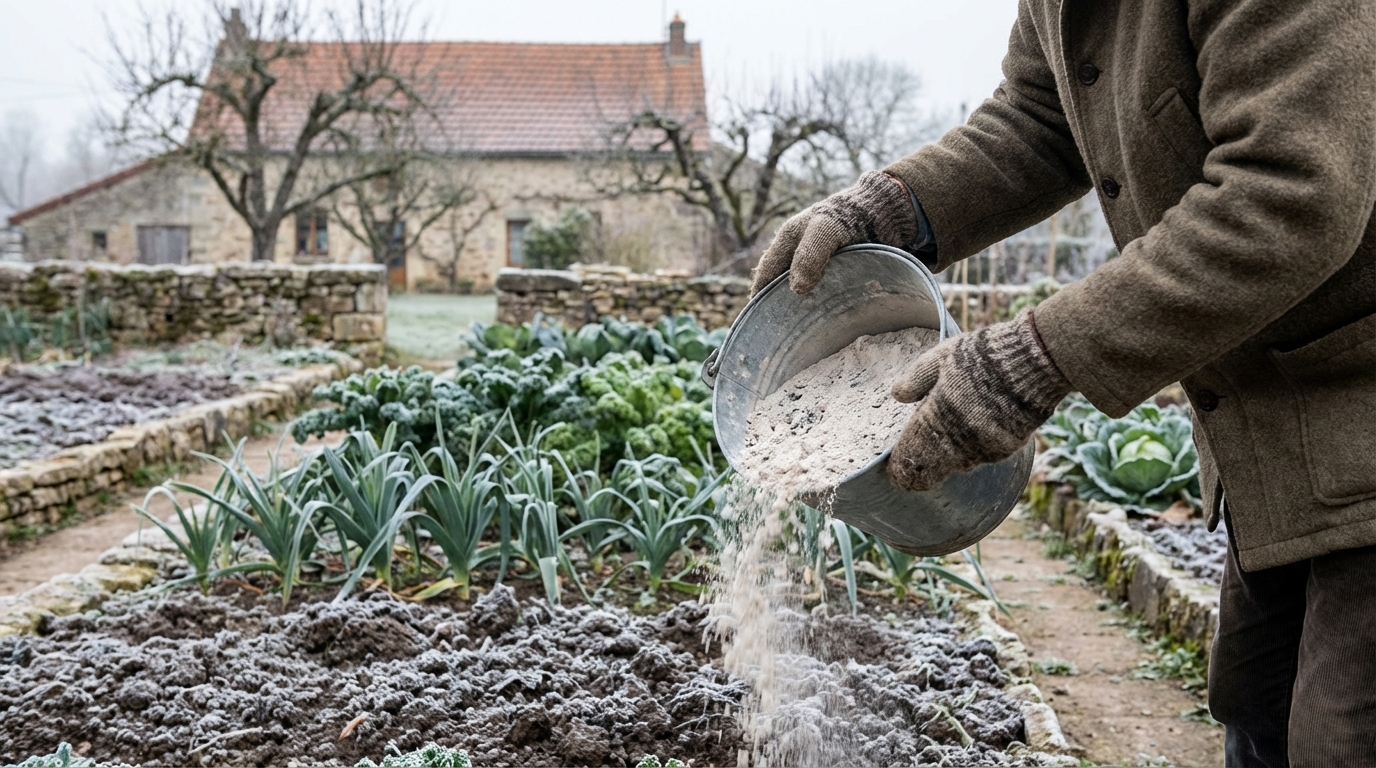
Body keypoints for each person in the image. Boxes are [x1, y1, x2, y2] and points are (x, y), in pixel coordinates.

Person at [751, 2, 1376, 765]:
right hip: (1274, 443)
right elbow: (1041, 115)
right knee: (1258, 705)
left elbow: (1291, 193)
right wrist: (891, 209)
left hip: (1357, 406)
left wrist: (1034, 359)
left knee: (1342, 735)